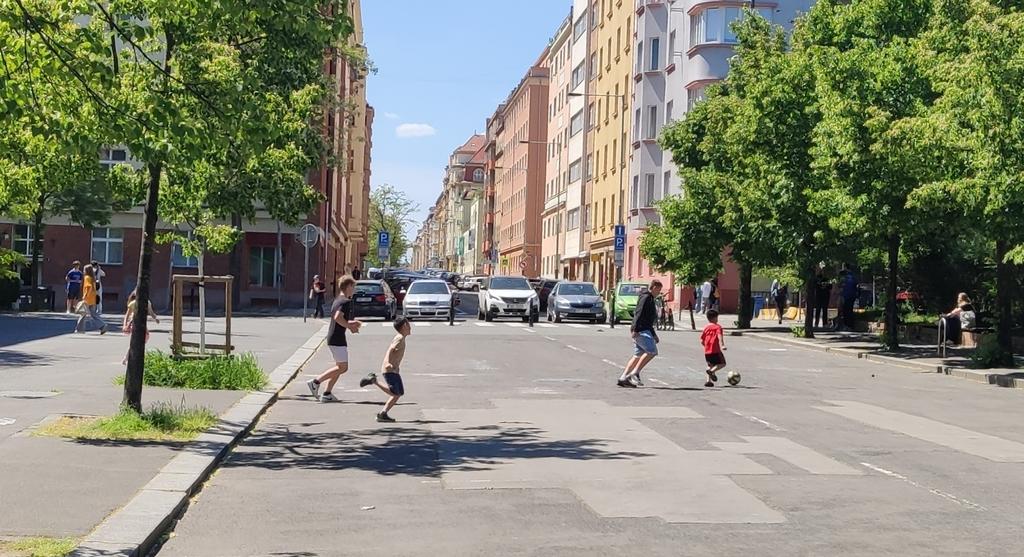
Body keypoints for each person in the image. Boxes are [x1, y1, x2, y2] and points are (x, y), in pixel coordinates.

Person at [307, 276, 363, 402]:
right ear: (348, 287)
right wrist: (349, 326)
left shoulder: (338, 300)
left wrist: (352, 323)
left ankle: (327, 393)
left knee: (339, 366)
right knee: (343, 367)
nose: (354, 290)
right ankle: (315, 382)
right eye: (353, 287)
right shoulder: (345, 302)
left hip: (335, 337)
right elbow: (338, 317)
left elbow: (338, 318)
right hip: (337, 339)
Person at [359, 316, 412, 422]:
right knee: (396, 393)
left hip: (393, 369)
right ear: (405, 326)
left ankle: (383, 413)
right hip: (389, 369)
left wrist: (396, 366)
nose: (410, 326)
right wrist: (388, 362)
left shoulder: (401, 337)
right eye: (408, 324)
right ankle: (375, 383)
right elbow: (390, 349)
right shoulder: (400, 338)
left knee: (398, 393)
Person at [617, 279, 662, 388]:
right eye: (659, 290)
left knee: (638, 355)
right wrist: (635, 329)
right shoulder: (646, 297)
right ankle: (635, 373)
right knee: (652, 351)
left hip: (645, 328)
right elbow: (639, 313)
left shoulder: (649, 298)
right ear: (654, 287)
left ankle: (623, 378)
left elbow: (648, 319)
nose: (659, 292)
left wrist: (654, 334)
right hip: (641, 329)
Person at [122, 290, 159, 365]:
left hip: (142, 323)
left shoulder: (147, 302)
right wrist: (125, 324)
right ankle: (128, 358)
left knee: (142, 339)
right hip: (133, 323)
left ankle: (127, 358)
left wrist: (155, 318)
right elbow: (127, 315)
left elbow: (151, 312)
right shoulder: (133, 303)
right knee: (138, 340)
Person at [75, 264, 107, 334]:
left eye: (84, 270)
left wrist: (85, 296)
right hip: (93, 298)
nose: (83, 271)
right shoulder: (93, 278)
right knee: (93, 314)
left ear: (86, 271)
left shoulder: (86, 277)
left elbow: (88, 287)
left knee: (83, 313)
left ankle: (80, 329)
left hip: (88, 298)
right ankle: (102, 326)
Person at [700, 309, 727, 387]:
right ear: (715, 318)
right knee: (722, 364)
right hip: (715, 350)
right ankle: (711, 371)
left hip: (707, 351)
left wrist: (706, 346)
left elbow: (702, 340)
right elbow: (719, 336)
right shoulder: (718, 327)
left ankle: (708, 381)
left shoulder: (706, 328)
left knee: (710, 364)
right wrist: (722, 345)